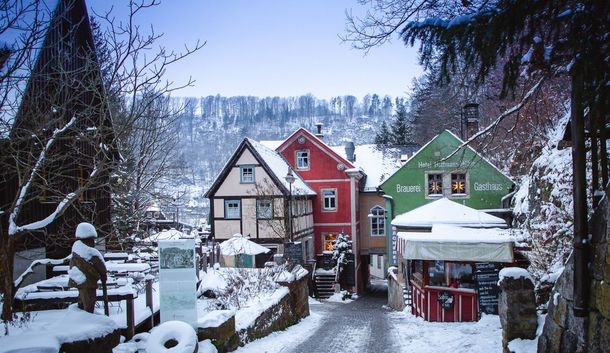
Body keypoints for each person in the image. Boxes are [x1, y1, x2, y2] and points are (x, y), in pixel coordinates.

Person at [68, 222, 108, 313]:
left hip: (78, 280)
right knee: (89, 303)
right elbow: (100, 266)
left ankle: (83, 318)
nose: (93, 242)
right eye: (92, 240)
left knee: (82, 301)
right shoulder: (89, 251)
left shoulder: (76, 248)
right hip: (88, 282)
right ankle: (87, 321)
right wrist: (103, 274)